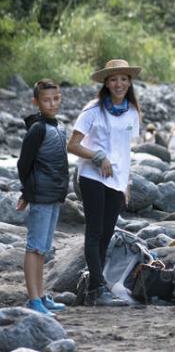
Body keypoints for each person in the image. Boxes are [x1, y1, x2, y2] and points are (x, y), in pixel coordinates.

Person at [67, 59, 141, 306]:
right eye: (113, 79)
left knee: (107, 234)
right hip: (92, 177)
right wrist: (98, 157)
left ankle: (93, 285)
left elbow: (125, 150)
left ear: (129, 82)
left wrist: (127, 182)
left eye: (123, 79)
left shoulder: (132, 111)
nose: (119, 84)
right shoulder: (93, 110)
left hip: (117, 180)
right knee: (95, 231)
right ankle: (99, 287)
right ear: (106, 83)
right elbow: (73, 145)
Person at [16, 79, 69, 318]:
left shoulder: (59, 127)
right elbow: (23, 163)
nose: (51, 104)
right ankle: (33, 299)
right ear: (36, 102)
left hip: (54, 195)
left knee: (43, 249)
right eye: (45, 100)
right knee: (34, 247)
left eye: (55, 99)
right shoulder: (37, 128)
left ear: (59, 98)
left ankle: (42, 295)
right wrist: (26, 194)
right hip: (40, 195)